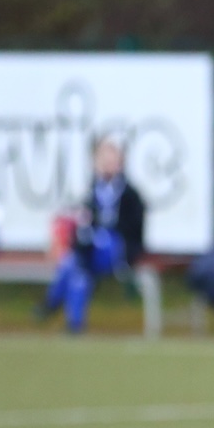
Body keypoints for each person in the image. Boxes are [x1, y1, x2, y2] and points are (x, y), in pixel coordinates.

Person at [38, 135, 145, 334]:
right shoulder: (93, 190)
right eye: (103, 157)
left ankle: (51, 303)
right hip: (90, 253)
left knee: (78, 261)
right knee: (75, 269)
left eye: (112, 157)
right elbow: (85, 223)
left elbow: (135, 233)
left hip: (115, 252)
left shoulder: (130, 195)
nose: (107, 162)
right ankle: (74, 323)